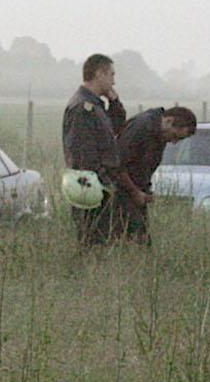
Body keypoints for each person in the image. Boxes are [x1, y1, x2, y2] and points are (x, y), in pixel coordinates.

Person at [61, 53, 148, 246]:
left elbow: (116, 126)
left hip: (100, 184)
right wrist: (102, 180)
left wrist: (114, 101)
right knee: (93, 241)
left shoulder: (96, 106)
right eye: (111, 75)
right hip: (90, 185)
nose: (113, 81)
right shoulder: (83, 108)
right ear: (99, 73)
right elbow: (84, 152)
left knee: (105, 239)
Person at [113, 104, 199, 244]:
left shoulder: (159, 132)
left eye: (179, 140)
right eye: (175, 136)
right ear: (169, 121)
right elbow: (117, 164)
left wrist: (146, 191)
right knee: (131, 242)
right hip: (119, 192)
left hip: (135, 193)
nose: (174, 142)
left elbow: (143, 166)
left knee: (139, 240)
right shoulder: (141, 128)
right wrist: (135, 192)